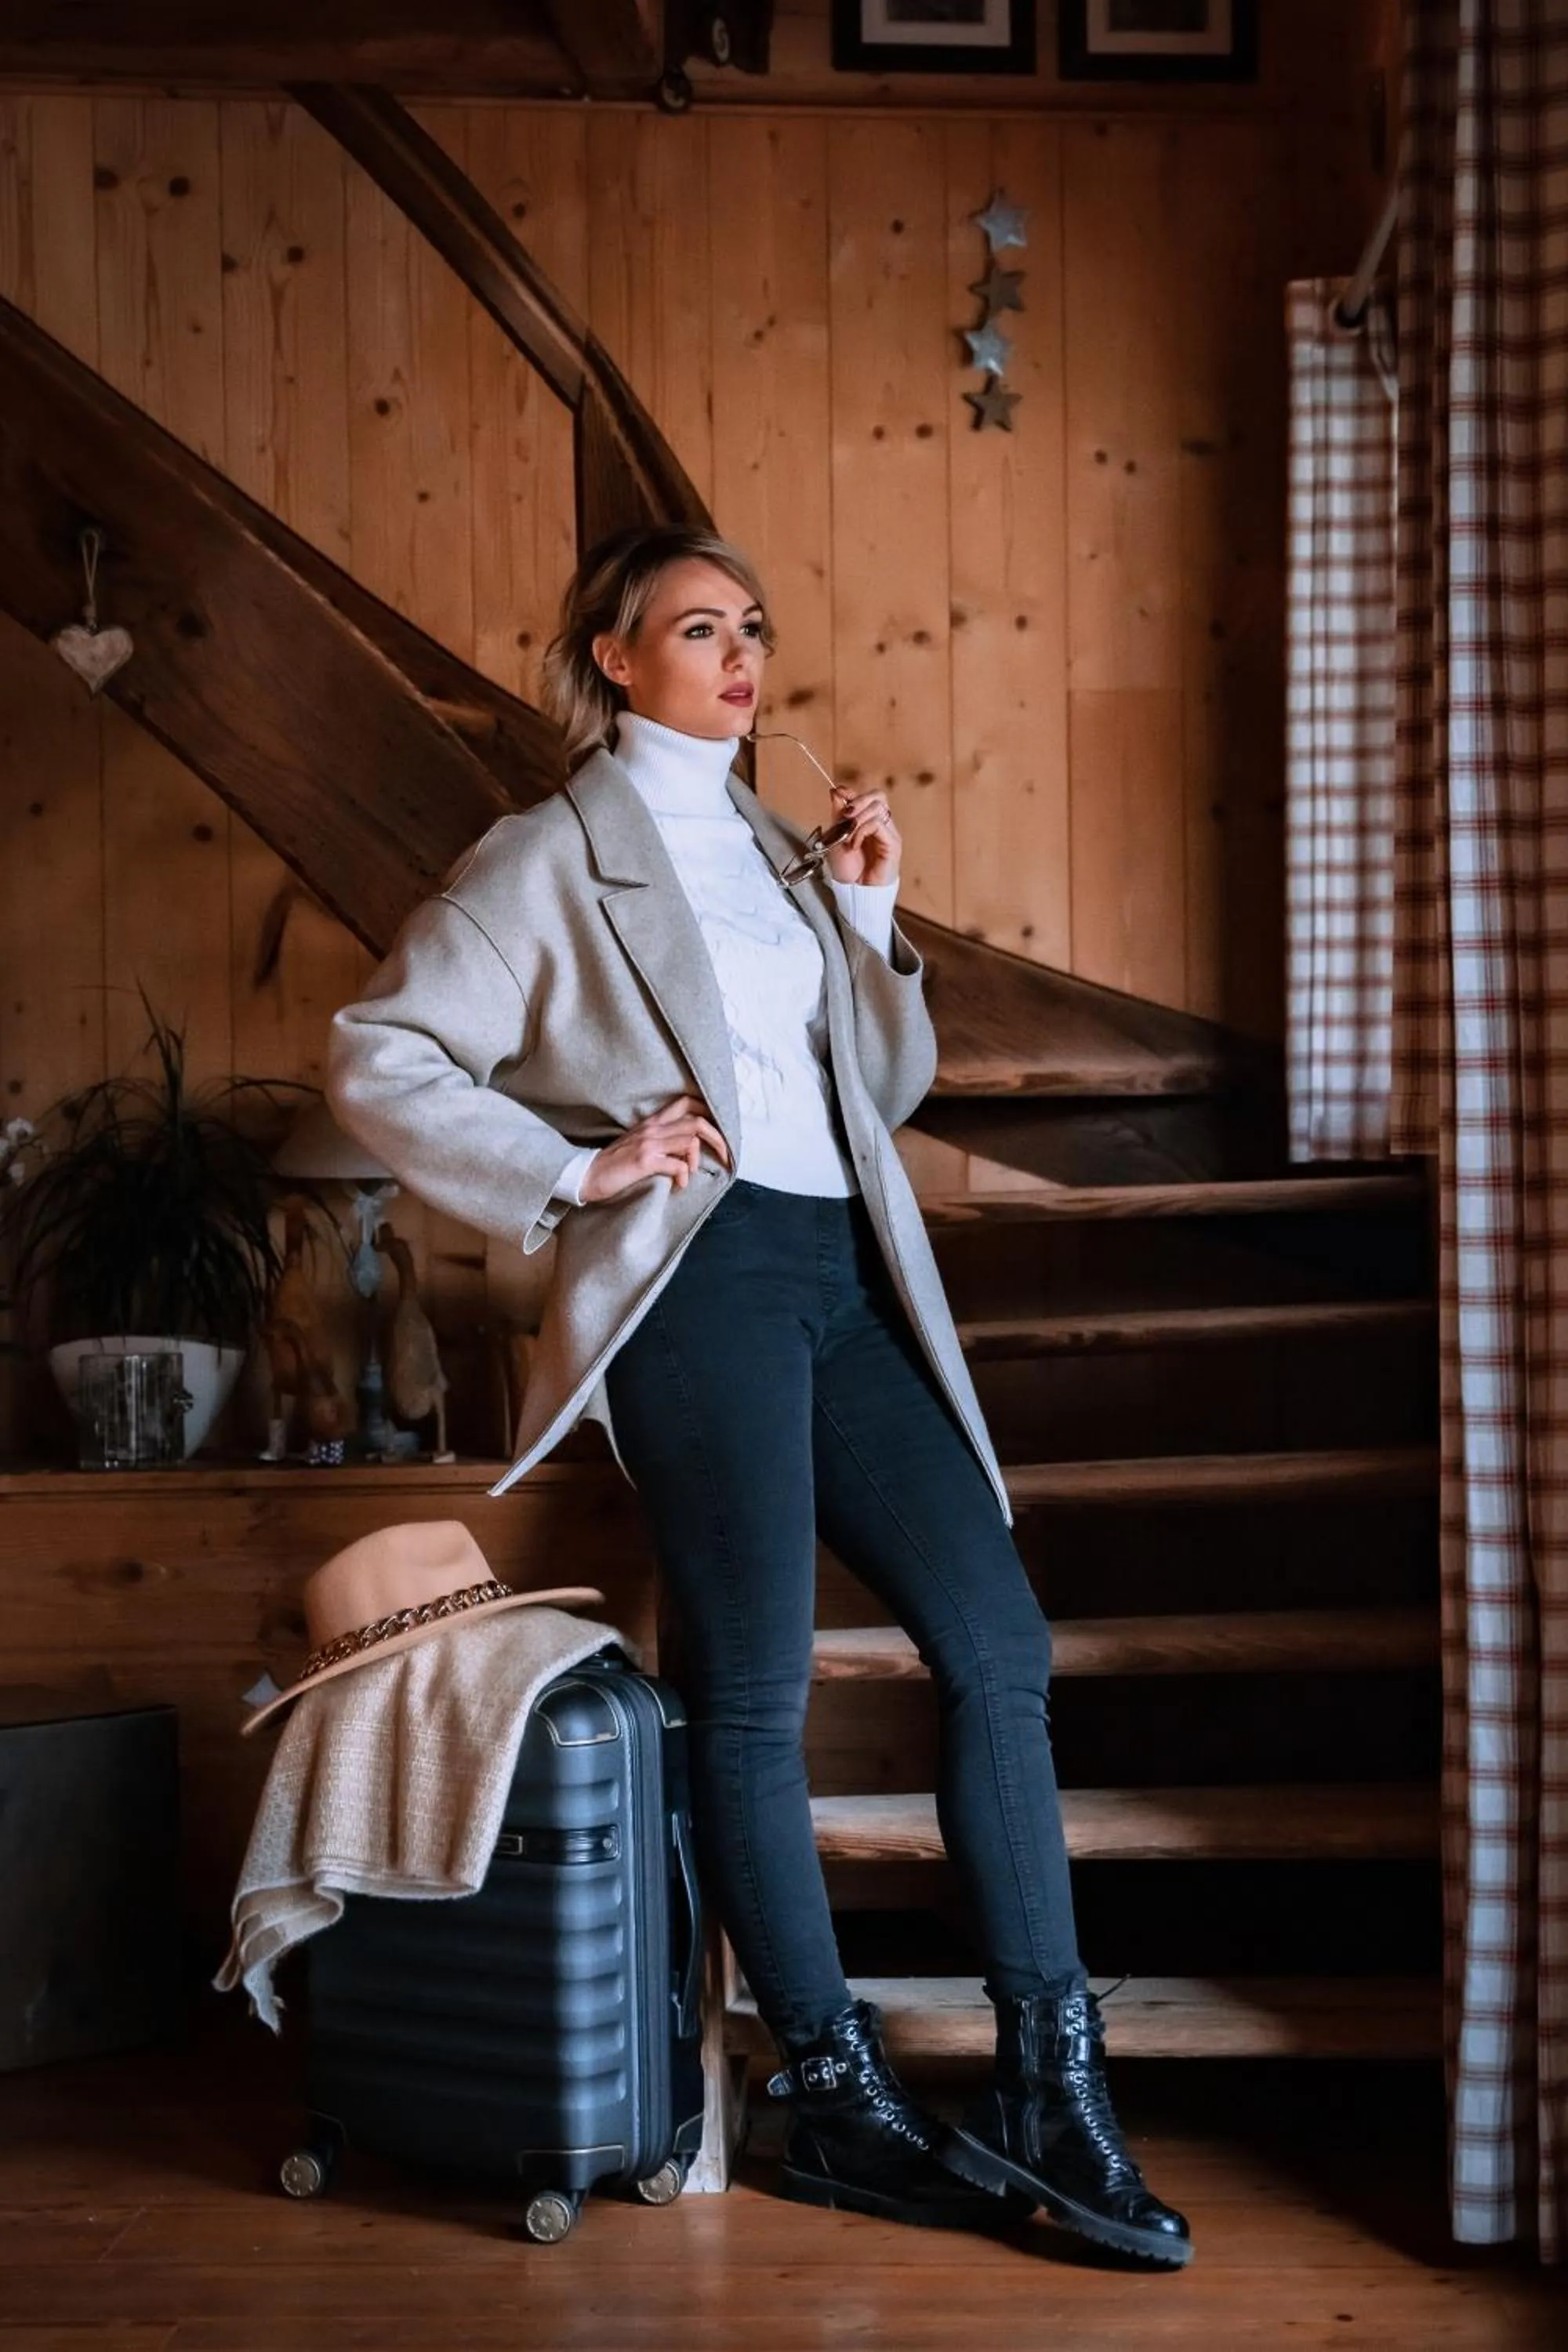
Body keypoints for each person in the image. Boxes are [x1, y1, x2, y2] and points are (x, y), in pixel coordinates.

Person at [327, 525, 1190, 2267]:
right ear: (615, 655)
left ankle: (1050, 2086)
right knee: (751, 1692)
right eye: (701, 627)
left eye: (755, 629)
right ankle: (838, 2092)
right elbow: (378, 1054)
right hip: (701, 1280)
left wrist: (864, 914)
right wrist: (574, 1171)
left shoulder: (789, 852)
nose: (741, 657)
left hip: (847, 1276)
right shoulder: (549, 853)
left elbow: (883, 1087)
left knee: (999, 1646)